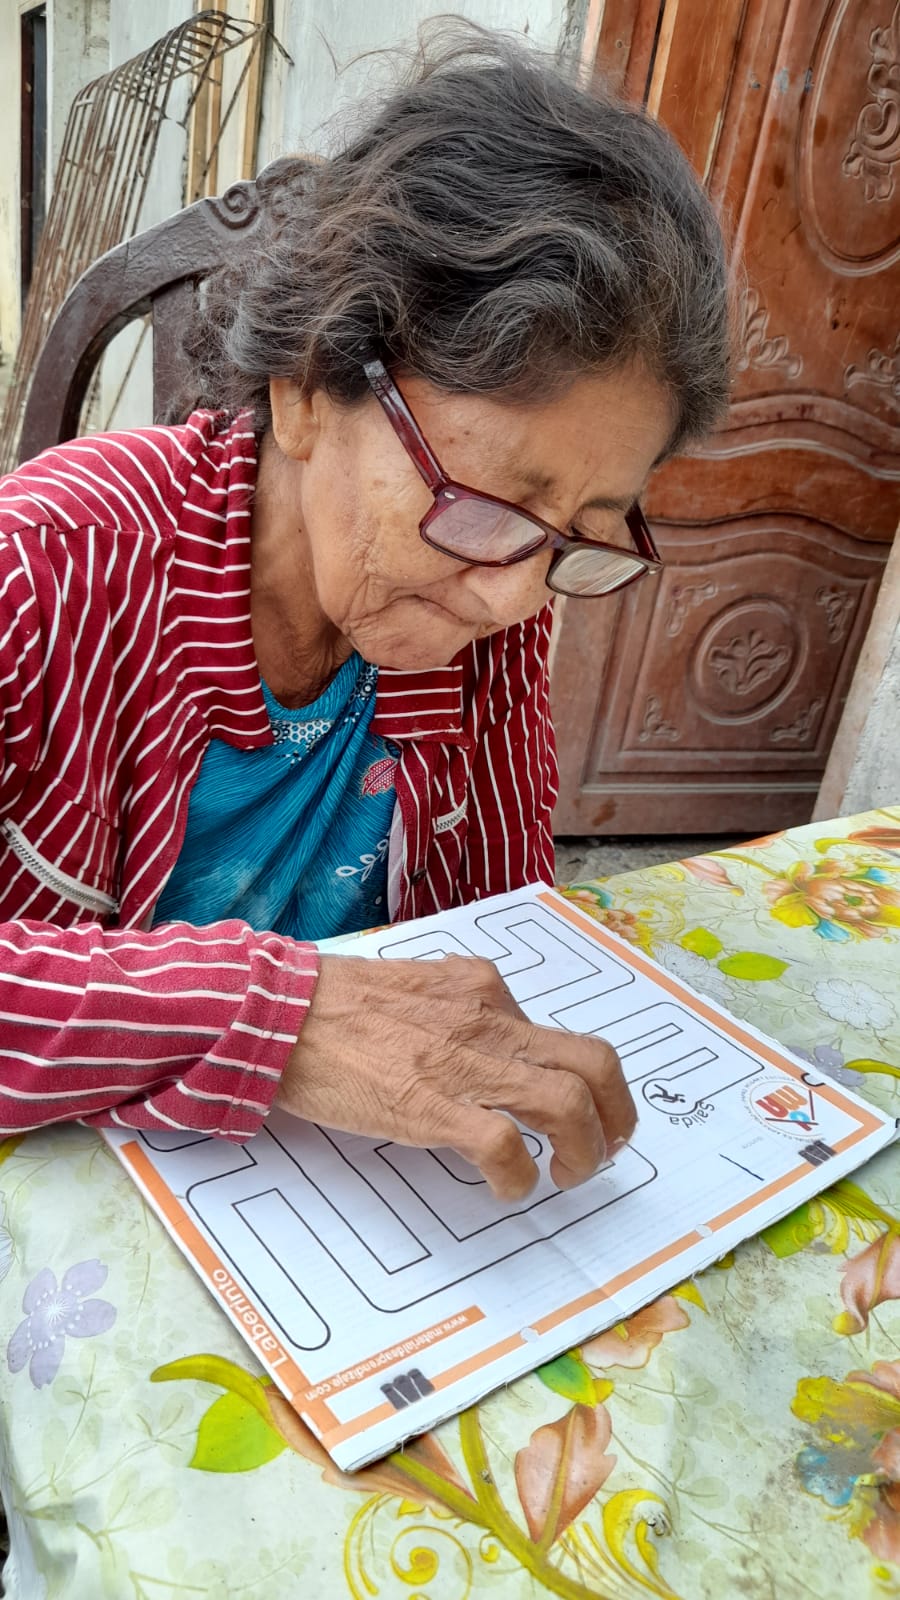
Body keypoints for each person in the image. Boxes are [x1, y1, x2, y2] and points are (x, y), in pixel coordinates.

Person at [0, 26, 729, 1202]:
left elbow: (503, 924)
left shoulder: (492, 599)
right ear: (305, 388)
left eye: (578, 536)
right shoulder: (46, 568)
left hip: (332, 1207)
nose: (516, 595)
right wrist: (276, 1020)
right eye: (483, 504)